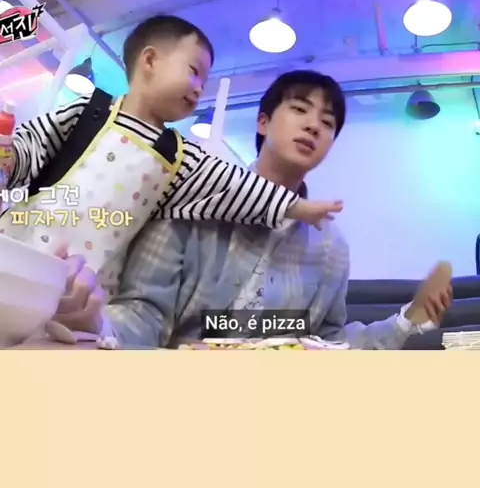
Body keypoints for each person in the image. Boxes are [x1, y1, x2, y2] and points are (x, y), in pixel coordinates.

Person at [47, 70, 452, 349]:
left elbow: (327, 344)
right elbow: (145, 314)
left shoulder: (331, 247)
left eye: (328, 122)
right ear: (262, 122)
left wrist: (405, 321)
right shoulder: (195, 201)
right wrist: (95, 323)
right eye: (299, 109)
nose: (314, 125)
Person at [0, 18, 342, 299]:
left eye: (204, 81)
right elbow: (31, 148)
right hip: (19, 251)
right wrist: (9, 158)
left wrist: (296, 208)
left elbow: (237, 187)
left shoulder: (180, 156)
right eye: (194, 71)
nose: (199, 88)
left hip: (86, 289)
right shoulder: (89, 111)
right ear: (150, 61)